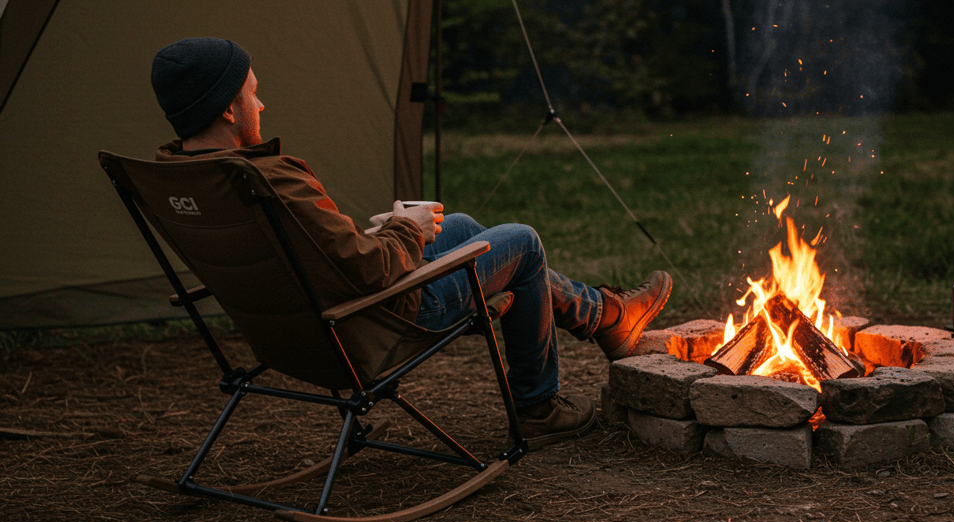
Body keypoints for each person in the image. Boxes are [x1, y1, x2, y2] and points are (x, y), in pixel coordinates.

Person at [150, 38, 672, 449]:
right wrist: (407, 230)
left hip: (295, 331)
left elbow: (309, 254)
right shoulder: (265, 178)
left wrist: (380, 232)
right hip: (377, 320)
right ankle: (541, 404)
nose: (260, 103)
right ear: (226, 109)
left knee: (462, 224)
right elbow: (368, 272)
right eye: (252, 92)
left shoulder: (184, 180)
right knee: (522, 244)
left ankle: (607, 317)